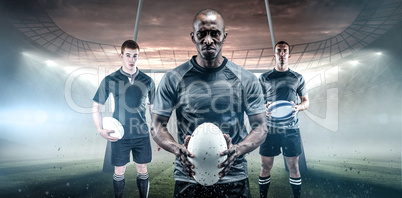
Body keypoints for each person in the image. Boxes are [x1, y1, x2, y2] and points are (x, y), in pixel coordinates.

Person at [151, 9, 267, 198]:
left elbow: (261, 126)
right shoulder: (173, 78)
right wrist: (177, 149)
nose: (208, 40)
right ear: (193, 37)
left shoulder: (246, 79)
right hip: (189, 178)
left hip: (234, 179)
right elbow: (156, 125)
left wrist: (237, 150)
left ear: (224, 36)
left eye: (215, 34)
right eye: (201, 34)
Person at [92, 40, 155, 198]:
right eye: (128, 55)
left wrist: (158, 132)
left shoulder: (148, 81)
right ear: (121, 56)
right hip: (119, 134)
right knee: (119, 170)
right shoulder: (110, 80)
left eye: (135, 56)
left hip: (141, 133)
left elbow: (154, 109)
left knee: (142, 169)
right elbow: (96, 107)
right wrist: (100, 129)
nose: (132, 59)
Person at [258, 41, 310, 198]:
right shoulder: (264, 78)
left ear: (289, 55)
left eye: (284, 51)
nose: (282, 54)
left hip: (291, 129)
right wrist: (264, 107)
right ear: (274, 55)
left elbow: (306, 102)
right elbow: (255, 102)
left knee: (294, 167)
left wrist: (297, 107)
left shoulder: (297, 77)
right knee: (266, 166)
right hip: (270, 129)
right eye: (279, 51)